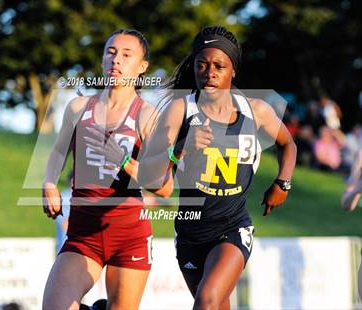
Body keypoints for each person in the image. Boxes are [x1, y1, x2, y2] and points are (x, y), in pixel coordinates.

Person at [138, 25, 297, 309]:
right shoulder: (180, 110)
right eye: (202, 65)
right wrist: (180, 149)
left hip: (232, 228)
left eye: (218, 66)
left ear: (232, 70)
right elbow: (149, 177)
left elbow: (288, 144)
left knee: (207, 301)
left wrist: (282, 183)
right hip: (189, 234)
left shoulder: (256, 110)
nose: (209, 72)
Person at [42, 29, 168, 310]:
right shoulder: (78, 107)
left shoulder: (147, 116)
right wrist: (49, 183)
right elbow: (59, 151)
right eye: (111, 52)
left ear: (142, 67)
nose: (116, 60)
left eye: (126, 55)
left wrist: (125, 161)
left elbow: (164, 184)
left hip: (129, 237)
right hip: (83, 234)